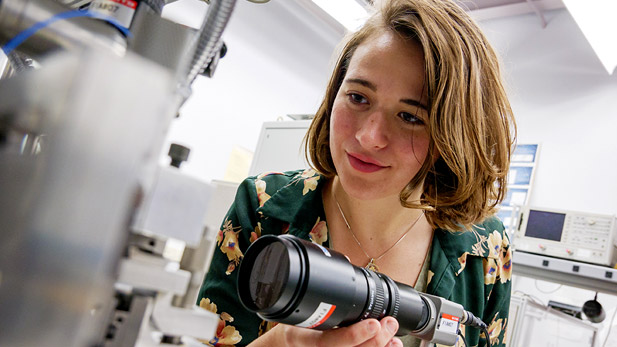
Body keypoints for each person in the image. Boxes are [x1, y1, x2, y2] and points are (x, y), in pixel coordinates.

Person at [196, 0, 515, 346]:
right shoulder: (263, 206)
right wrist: (283, 343)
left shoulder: (487, 250)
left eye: (410, 117)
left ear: (452, 136)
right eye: (358, 97)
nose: (368, 137)